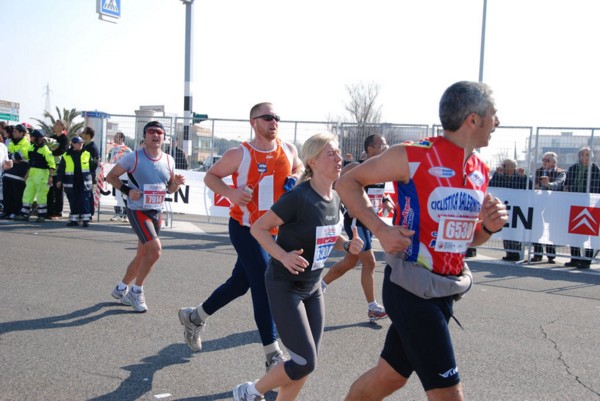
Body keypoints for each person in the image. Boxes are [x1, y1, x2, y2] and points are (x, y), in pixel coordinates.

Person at [337, 81, 508, 401]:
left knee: (387, 379)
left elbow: (467, 238)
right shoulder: (412, 155)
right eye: (493, 115)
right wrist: (381, 230)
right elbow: (347, 182)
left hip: (445, 290)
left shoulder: (480, 169)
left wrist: (488, 227)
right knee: (448, 393)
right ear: (473, 119)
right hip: (410, 288)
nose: (497, 123)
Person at [232, 133, 364, 401]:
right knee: (304, 361)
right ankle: (250, 392)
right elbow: (259, 228)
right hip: (285, 286)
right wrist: (282, 255)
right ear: (313, 161)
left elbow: (326, 235)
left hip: (313, 288)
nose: (339, 158)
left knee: (304, 363)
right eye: (331, 153)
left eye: (339, 153)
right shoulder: (298, 198)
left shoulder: (336, 198)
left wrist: (347, 244)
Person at [177, 102, 303, 371]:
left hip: (274, 231)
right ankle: (272, 354)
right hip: (245, 228)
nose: (274, 121)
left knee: (239, 284)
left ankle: (194, 317)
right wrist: (231, 193)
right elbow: (211, 177)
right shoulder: (240, 153)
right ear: (253, 122)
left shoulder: (288, 149)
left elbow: (300, 166)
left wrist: (294, 176)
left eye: (277, 117)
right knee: (263, 281)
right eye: (268, 117)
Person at [106, 121, 186, 312]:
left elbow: (170, 189)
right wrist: (127, 190)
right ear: (145, 136)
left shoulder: (169, 160)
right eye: (152, 132)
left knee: (143, 254)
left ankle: (121, 288)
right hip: (138, 210)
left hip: (156, 211)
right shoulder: (133, 158)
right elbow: (111, 177)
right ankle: (137, 290)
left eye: (160, 132)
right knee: (156, 251)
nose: (156, 135)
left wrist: (177, 184)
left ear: (164, 137)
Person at [321, 133, 392, 322]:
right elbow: (338, 186)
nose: (386, 147)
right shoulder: (356, 168)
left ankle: (319, 286)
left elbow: (373, 191)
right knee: (369, 263)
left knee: (350, 262)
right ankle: (373, 308)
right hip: (356, 221)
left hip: (370, 221)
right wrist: (347, 204)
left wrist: (385, 200)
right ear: (370, 149)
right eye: (382, 145)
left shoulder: (382, 169)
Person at [563, 146, 600, 269]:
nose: (585, 157)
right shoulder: (573, 168)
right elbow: (567, 184)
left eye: (588, 155)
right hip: (574, 203)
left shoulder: (595, 169)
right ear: (579, 156)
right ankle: (575, 258)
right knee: (574, 232)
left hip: (590, 205)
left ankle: (587, 259)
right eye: (583, 154)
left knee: (588, 232)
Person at [488, 159, 530, 261]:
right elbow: (492, 186)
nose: (504, 167)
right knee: (506, 230)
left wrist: (524, 176)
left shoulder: (520, 176)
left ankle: (516, 253)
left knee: (515, 230)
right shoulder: (500, 176)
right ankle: (508, 253)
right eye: (503, 165)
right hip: (504, 206)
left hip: (517, 207)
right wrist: (496, 174)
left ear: (512, 167)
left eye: (506, 166)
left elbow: (529, 186)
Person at [15, 129, 56, 223]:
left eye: (33, 136)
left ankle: (42, 215)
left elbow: (52, 164)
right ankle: (24, 214)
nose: (31, 138)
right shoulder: (31, 148)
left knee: (41, 196)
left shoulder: (45, 150)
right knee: (27, 194)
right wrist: (27, 173)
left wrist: (50, 177)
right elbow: (30, 162)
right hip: (32, 174)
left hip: (42, 175)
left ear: (39, 138)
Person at [532, 152, 566, 263]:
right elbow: (533, 184)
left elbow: (559, 184)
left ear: (554, 162)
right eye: (543, 160)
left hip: (553, 204)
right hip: (538, 203)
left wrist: (548, 184)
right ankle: (537, 254)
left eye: (547, 160)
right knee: (537, 227)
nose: (544, 162)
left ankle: (551, 255)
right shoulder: (538, 171)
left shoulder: (560, 172)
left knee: (551, 228)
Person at [56, 136, 93, 227]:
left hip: (83, 182)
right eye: (78, 143)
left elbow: (92, 167)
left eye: (81, 143)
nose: (80, 144)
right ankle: (74, 220)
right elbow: (61, 169)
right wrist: (59, 180)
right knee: (73, 201)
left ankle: (85, 220)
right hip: (71, 182)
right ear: (72, 144)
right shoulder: (66, 155)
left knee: (84, 201)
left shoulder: (87, 154)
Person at [1, 125, 30, 219]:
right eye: (13, 131)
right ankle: (6, 211)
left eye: (15, 131)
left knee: (16, 195)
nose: (13, 133)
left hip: (18, 174)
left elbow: (19, 156)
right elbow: (7, 155)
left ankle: (15, 212)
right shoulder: (11, 142)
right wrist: (12, 157)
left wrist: (12, 157)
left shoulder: (26, 143)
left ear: (22, 133)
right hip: (8, 173)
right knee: (7, 194)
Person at [46, 119, 69, 220]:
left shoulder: (65, 139)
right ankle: (49, 211)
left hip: (59, 168)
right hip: (50, 168)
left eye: (58, 124)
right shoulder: (51, 138)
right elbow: (46, 150)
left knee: (58, 190)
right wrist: (52, 149)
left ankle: (58, 212)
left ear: (63, 126)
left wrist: (53, 150)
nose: (55, 126)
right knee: (49, 190)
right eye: (55, 124)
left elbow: (62, 150)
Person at [107, 131, 132, 222]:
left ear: (122, 139)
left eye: (116, 137)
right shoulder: (112, 149)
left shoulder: (127, 150)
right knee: (116, 195)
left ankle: (125, 214)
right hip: (114, 176)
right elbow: (109, 161)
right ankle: (117, 213)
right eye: (114, 137)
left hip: (124, 176)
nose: (114, 139)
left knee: (125, 195)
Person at [81, 126, 100, 218]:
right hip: (82, 174)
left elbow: (95, 162)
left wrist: (89, 171)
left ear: (88, 135)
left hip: (89, 174)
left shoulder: (93, 147)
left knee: (88, 194)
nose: (82, 134)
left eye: (84, 132)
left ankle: (89, 213)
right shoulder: (84, 145)